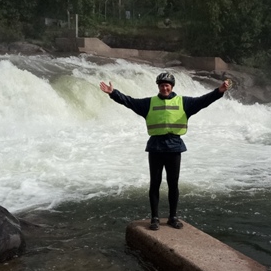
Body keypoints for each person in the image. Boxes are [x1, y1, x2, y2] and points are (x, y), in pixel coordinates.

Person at [99, 72, 230, 230]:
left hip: (174, 147)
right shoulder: (149, 103)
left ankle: (172, 217)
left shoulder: (184, 102)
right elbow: (129, 102)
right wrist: (113, 93)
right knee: (155, 183)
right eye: (161, 85)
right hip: (155, 147)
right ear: (158, 87)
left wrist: (219, 91)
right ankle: (154, 218)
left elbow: (203, 101)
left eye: (167, 85)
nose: (164, 87)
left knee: (173, 184)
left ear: (172, 87)